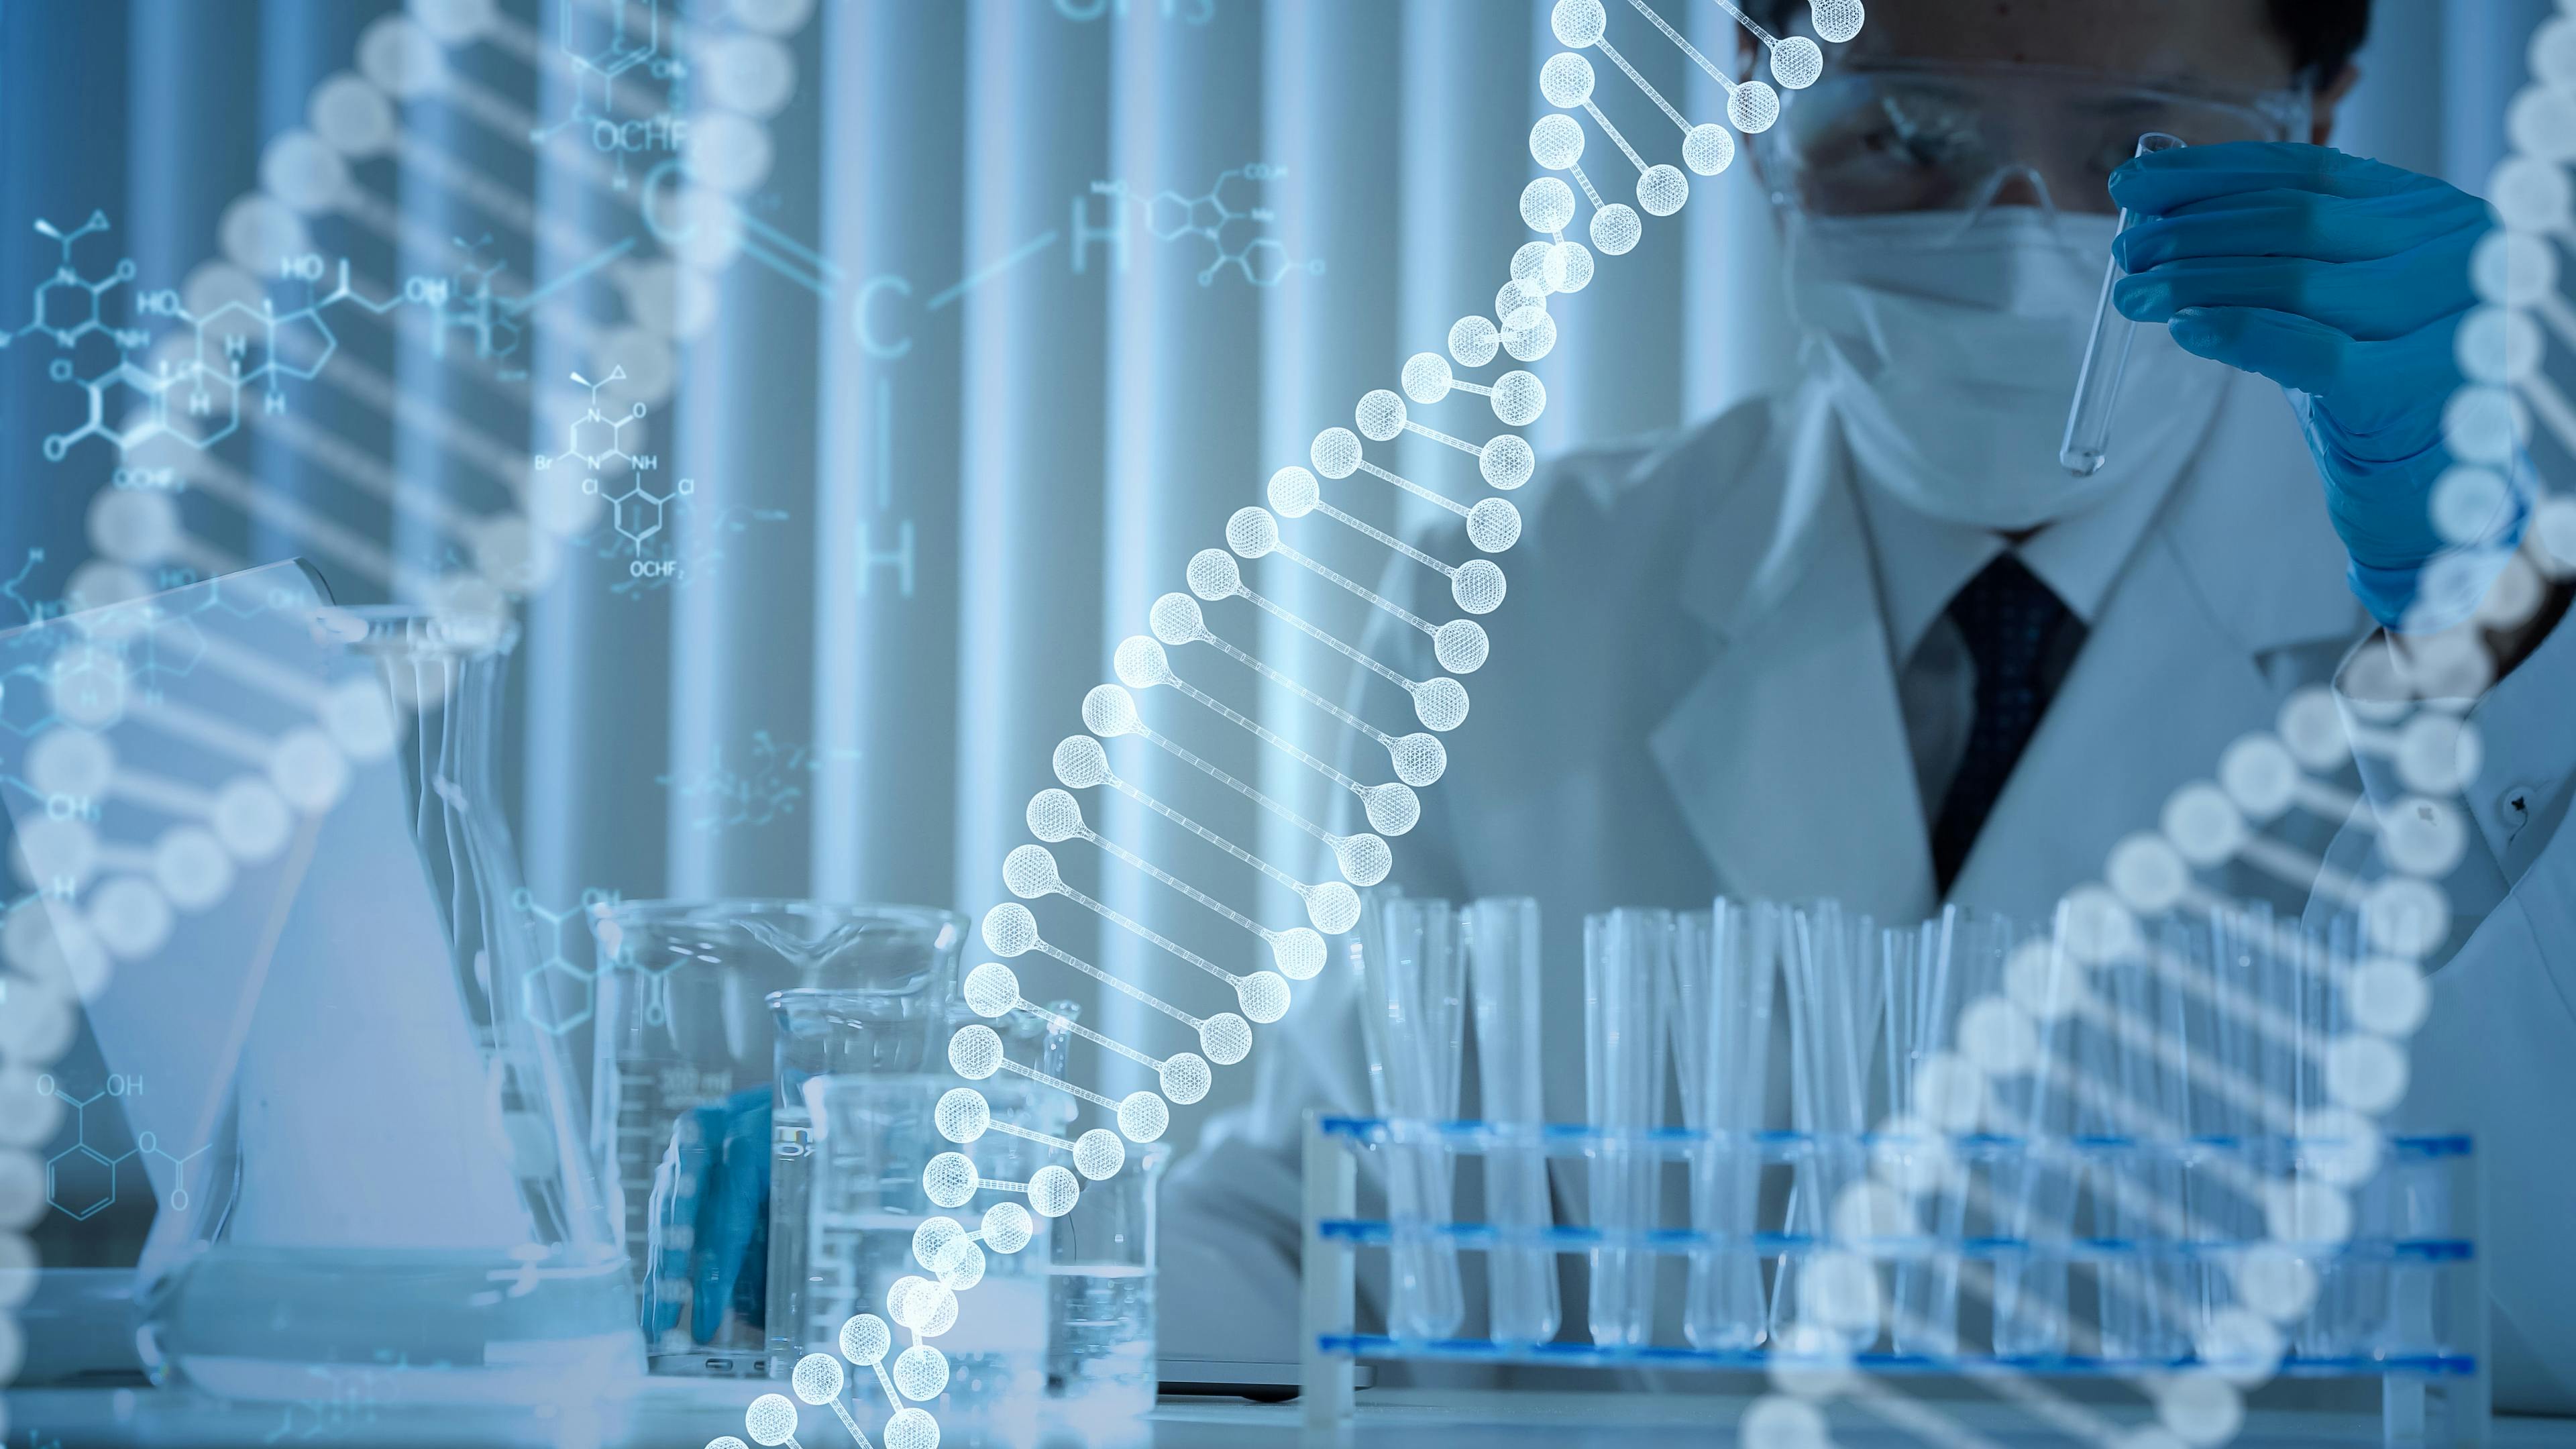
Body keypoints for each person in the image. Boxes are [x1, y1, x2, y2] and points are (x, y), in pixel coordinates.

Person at [1158, 0, 2576, 1415]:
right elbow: (1325, 1224)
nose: (2021, 246)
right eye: (1906, 136)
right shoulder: (1528, 593)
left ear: (2313, 123)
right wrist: (1059, 1298)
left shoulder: (2505, 628)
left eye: (2140, 154)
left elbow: (2549, 1296)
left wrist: (2484, 631)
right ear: (1760, 97)